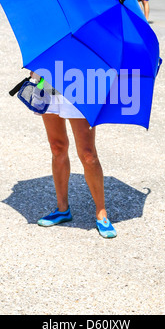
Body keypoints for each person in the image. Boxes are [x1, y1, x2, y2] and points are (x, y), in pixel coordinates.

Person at [30, 71, 117, 239]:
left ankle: (101, 213)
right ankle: (62, 209)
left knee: (88, 154)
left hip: (82, 83)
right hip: (49, 82)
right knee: (57, 147)